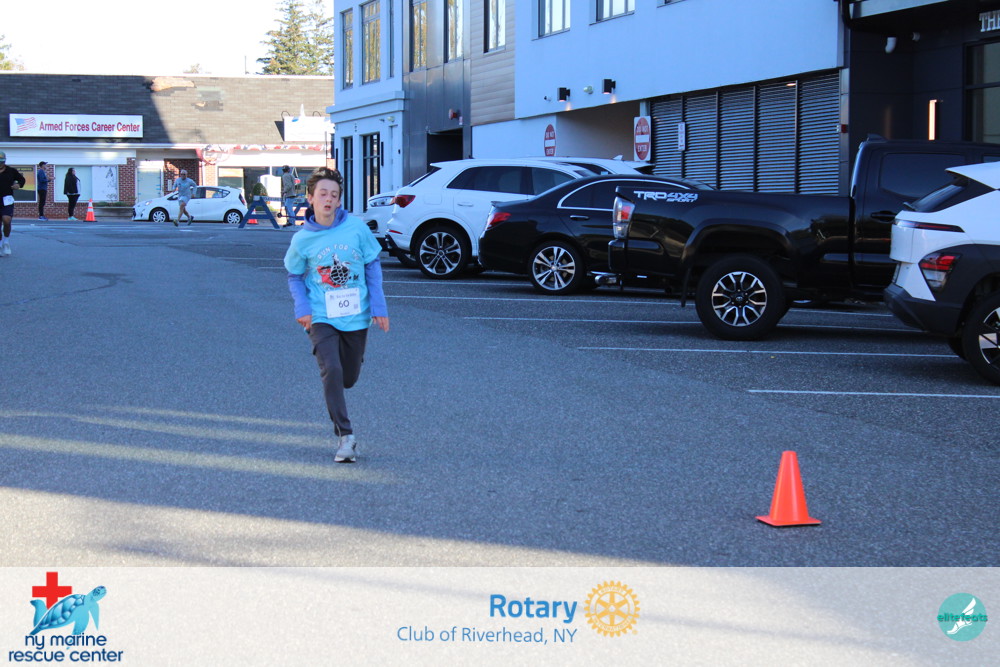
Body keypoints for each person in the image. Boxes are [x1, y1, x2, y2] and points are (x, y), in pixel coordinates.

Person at [283, 167, 389, 463]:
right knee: (332, 369)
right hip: (321, 315)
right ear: (310, 198)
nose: (328, 199)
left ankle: (342, 379)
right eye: (322, 194)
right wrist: (302, 308)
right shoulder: (302, 239)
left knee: (348, 377)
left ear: (339, 200)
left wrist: (379, 307)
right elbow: (294, 276)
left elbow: (372, 265)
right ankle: (346, 437)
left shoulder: (356, 229)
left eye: (334, 195)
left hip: (356, 314)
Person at [0, 151, 27, 257]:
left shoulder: (11, 171)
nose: (1, 163)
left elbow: (22, 179)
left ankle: (6, 241)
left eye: (2, 161)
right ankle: (0, 244)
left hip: (7, 199)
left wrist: (18, 185)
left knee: (6, 220)